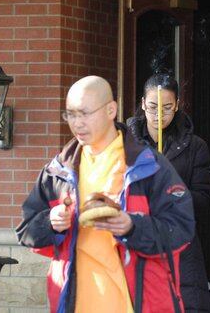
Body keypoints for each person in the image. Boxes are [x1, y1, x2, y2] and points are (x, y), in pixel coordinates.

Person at [16, 76, 195, 313]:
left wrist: (132, 227)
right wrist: (50, 221)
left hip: (137, 303)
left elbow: (181, 230)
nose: (77, 123)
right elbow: (25, 231)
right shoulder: (59, 171)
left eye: (85, 113)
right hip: (75, 303)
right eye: (70, 114)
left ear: (111, 110)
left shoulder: (148, 165)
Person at [127, 73, 210, 312]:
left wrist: (173, 193)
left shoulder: (195, 146)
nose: (158, 115)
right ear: (143, 103)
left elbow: (206, 201)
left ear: (176, 106)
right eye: (153, 107)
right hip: (137, 241)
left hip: (181, 246)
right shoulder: (123, 144)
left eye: (167, 107)